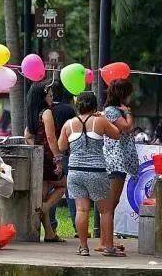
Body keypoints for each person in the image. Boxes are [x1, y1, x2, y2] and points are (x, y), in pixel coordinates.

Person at [59, 92, 122, 257]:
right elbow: (116, 134)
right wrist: (103, 117)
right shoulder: (99, 120)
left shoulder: (69, 124)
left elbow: (61, 146)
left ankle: (83, 247)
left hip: (75, 172)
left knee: (81, 209)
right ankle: (108, 248)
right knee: (105, 211)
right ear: (94, 106)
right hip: (97, 172)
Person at [24, 81, 66, 242]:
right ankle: (44, 208)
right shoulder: (46, 113)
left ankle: (49, 233)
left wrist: (35, 149)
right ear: (42, 97)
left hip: (37, 158)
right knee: (63, 185)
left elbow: (27, 135)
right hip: (48, 157)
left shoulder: (32, 113)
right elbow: (51, 138)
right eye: (49, 95)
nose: (52, 97)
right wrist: (58, 160)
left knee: (42, 195)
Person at [101, 79, 138, 253]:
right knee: (110, 204)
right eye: (129, 93)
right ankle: (107, 245)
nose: (131, 96)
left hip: (119, 161)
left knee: (111, 204)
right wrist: (129, 113)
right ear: (123, 94)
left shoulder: (113, 111)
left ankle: (106, 241)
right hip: (115, 161)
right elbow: (127, 128)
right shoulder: (112, 111)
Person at [47, 81, 77, 236]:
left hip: (51, 154)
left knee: (52, 189)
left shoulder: (47, 110)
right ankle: (78, 226)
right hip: (67, 153)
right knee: (72, 190)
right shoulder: (69, 110)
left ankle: (51, 226)